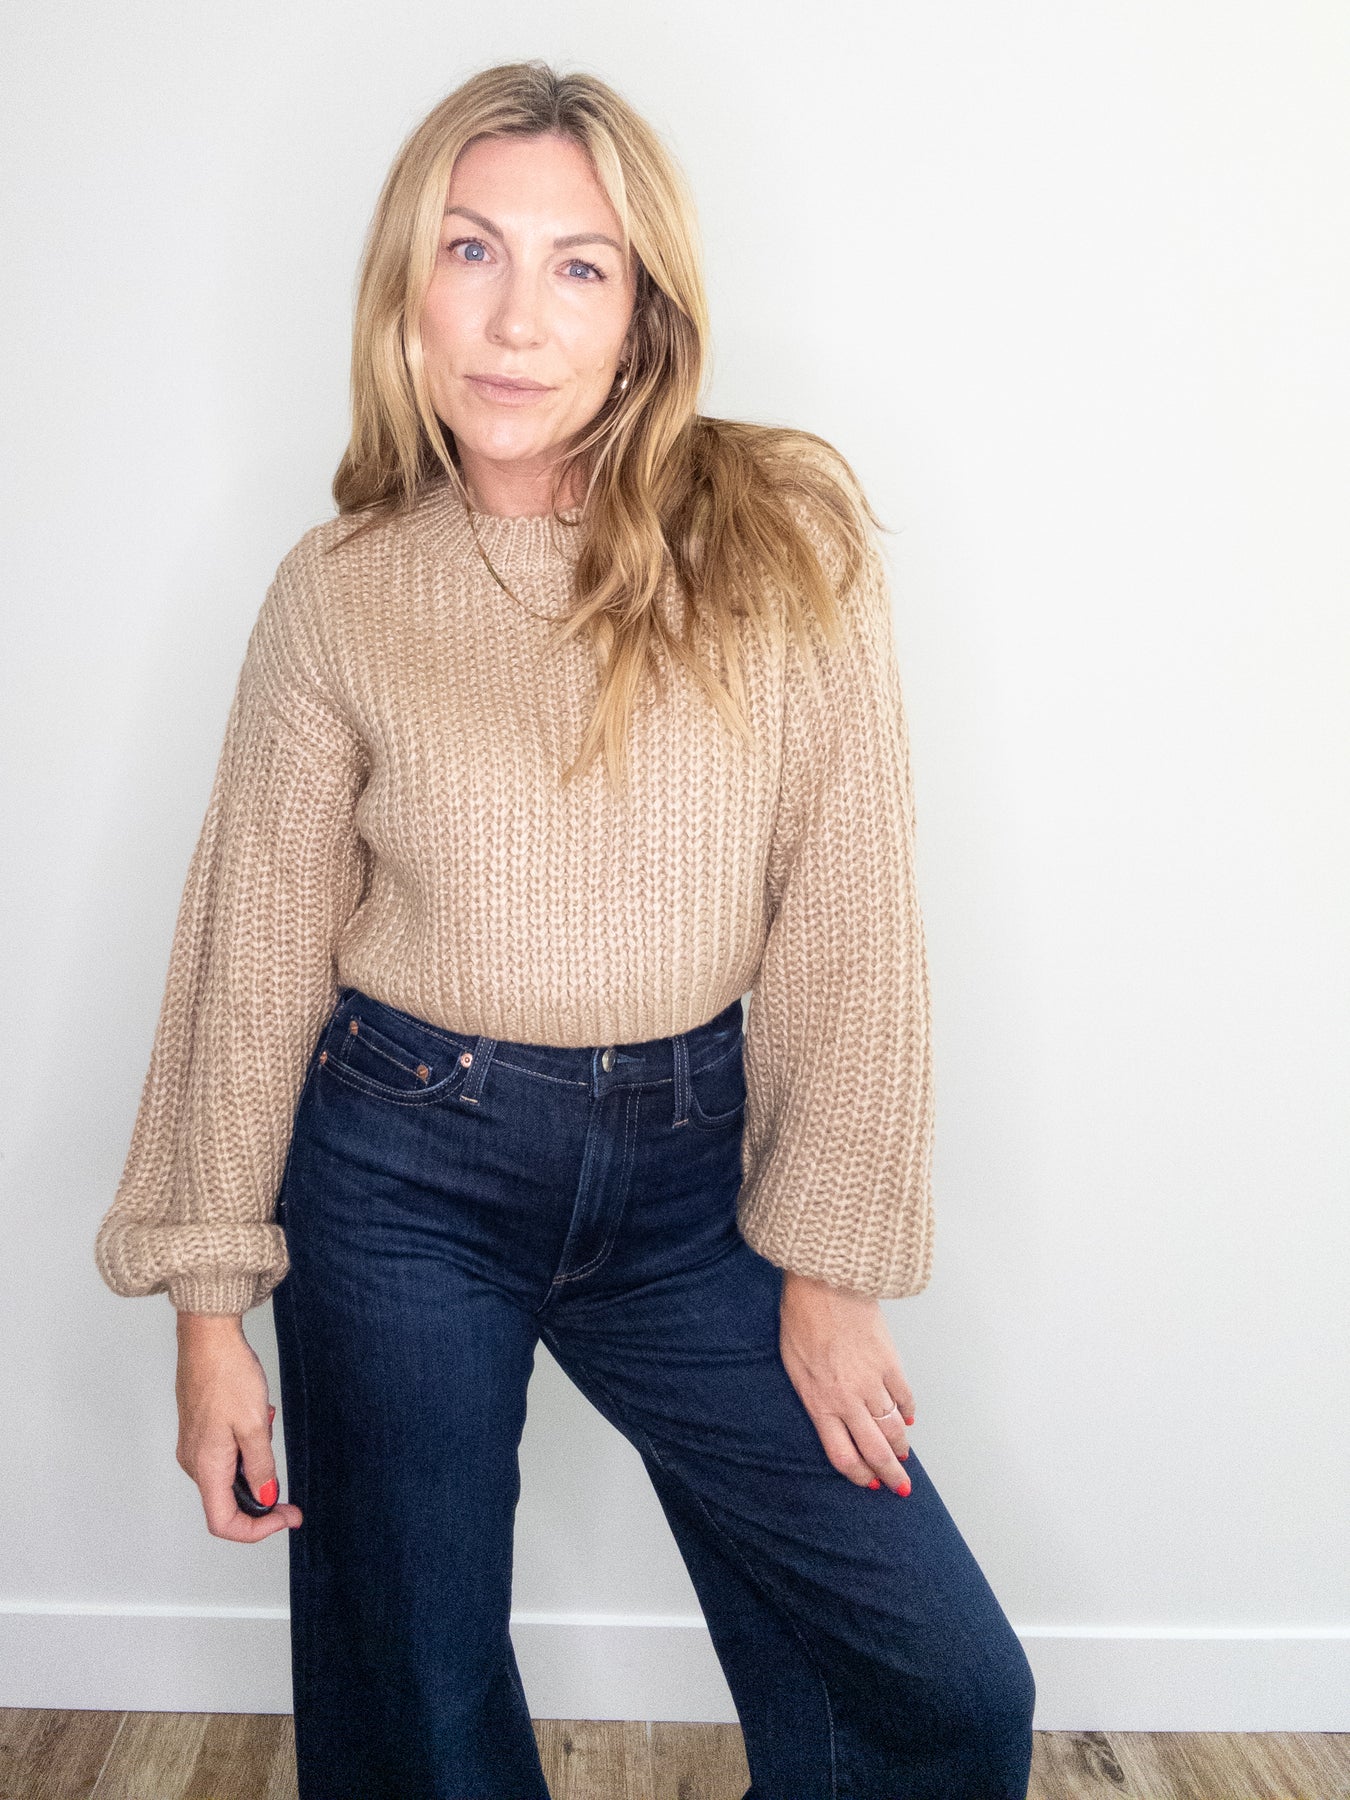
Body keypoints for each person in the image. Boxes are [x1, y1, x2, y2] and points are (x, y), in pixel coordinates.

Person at [94, 58, 1035, 1800]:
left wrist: (826, 1270)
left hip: (696, 1186)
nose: (515, 318)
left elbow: (848, 916)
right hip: (400, 1174)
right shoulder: (341, 592)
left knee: (938, 1688)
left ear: (643, 315)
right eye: (470, 250)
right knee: (419, 1706)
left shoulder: (784, 537)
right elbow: (250, 952)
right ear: (406, 287)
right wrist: (209, 1311)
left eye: (577, 266)